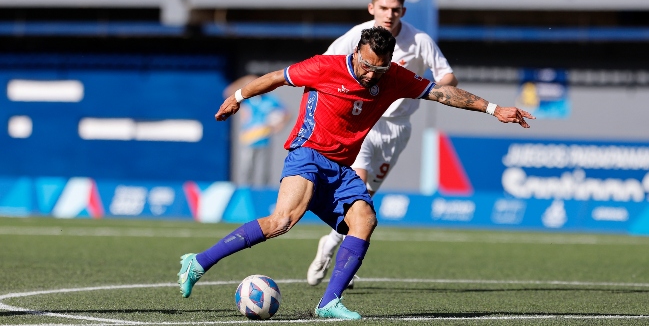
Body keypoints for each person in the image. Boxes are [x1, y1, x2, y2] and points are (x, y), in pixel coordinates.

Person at [177, 26, 533, 320]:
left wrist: (494, 108)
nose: (368, 73)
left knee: (364, 219)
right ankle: (198, 262)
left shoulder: (393, 77)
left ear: (389, 63)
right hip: (308, 155)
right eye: (364, 65)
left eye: (377, 69)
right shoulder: (325, 66)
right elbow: (274, 78)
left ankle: (327, 303)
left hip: (341, 169)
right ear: (356, 52)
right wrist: (239, 96)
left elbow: (442, 93)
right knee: (282, 221)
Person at [307, 0, 458, 288]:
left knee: (367, 198)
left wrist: (434, 88)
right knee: (358, 192)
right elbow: (325, 63)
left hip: (398, 128)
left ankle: (331, 244)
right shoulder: (357, 35)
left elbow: (447, 75)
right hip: (364, 122)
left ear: (403, 11)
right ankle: (341, 268)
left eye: (396, 9)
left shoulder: (419, 40)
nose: (390, 14)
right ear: (371, 8)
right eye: (384, 8)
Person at [224, 75, 291, 187]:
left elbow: (287, 113)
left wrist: (280, 125)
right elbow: (228, 92)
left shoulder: (271, 99)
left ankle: (262, 196)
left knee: (264, 172)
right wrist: (247, 79)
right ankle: (246, 193)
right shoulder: (247, 99)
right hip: (248, 140)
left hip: (264, 140)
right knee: (246, 172)